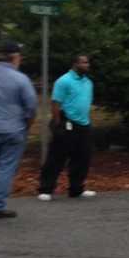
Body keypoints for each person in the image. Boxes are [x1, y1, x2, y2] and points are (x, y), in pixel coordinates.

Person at [0, 40, 37, 219]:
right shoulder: (20, 79)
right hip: (13, 128)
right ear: (15, 57)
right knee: (5, 168)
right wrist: (27, 123)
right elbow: (31, 105)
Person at [37, 54, 96, 201]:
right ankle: (46, 189)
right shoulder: (64, 81)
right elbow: (56, 103)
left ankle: (76, 189)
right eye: (84, 62)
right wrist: (58, 123)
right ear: (75, 64)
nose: (87, 65)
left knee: (82, 157)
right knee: (57, 156)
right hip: (66, 121)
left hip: (84, 124)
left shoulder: (88, 82)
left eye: (88, 63)